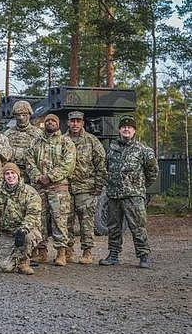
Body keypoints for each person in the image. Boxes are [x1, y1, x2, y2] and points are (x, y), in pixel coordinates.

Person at [100, 115, 158, 269]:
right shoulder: (111, 150)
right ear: (119, 130)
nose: (126, 129)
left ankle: (143, 256)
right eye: (124, 127)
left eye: (130, 127)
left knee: (138, 227)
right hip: (113, 195)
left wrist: (139, 186)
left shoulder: (143, 150)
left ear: (134, 131)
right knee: (113, 227)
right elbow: (105, 169)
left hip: (133, 196)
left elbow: (152, 171)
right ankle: (113, 255)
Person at [25, 113, 76, 266]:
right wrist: (38, 176)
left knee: (59, 220)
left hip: (58, 187)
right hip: (39, 187)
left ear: (58, 124)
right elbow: (29, 161)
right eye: (47, 121)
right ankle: (41, 251)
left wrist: (51, 177)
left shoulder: (66, 142)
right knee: (39, 220)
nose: (50, 123)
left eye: (53, 121)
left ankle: (61, 252)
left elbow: (68, 164)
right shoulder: (35, 142)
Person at [65, 111, 107, 264]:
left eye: (78, 121)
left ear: (83, 123)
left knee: (86, 222)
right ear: (68, 123)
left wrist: (98, 185)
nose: (75, 124)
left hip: (86, 188)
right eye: (72, 121)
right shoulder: (62, 140)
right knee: (66, 222)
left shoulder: (91, 141)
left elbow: (101, 165)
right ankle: (67, 251)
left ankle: (87, 252)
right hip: (66, 188)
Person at [0, 163, 42, 274]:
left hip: (25, 231)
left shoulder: (30, 192)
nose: (10, 176)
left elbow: (33, 215)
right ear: (3, 176)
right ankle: (11, 258)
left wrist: (23, 230)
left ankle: (24, 262)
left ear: (18, 175)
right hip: (7, 232)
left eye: (13, 173)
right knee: (5, 268)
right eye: (7, 174)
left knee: (28, 238)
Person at [4, 100, 43, 178]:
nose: (21, 118)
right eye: (18, 115)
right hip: (12, 174)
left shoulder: (38, 134)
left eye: (24, 115)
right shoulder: (7, 134)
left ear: (29, 115)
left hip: (32, 174)